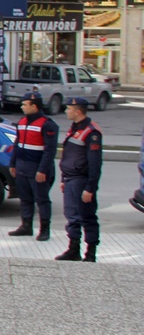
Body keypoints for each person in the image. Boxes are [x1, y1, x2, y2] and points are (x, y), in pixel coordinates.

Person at [55, 97, 102, 262]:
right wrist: (63, 177)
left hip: (81, 180)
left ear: (78, 111)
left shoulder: (91, 132)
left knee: (86, 217)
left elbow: (95, 164)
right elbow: (68, 155)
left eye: (69, 108)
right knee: (72, 216)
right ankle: (73, 250)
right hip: (70, 178)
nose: (66, 111)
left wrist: (90, 188)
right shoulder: (75, 128)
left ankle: (90, 253)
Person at [7, 91, 58, 241]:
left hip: (37, 168)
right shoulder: (22, 122)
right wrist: (13, 163)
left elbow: (50, 151)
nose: (22, 107)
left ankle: (45, 229)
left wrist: (42, 169)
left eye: (25, 104)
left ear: (34, 106)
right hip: (22, 166)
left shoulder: (47, 124)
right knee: (25, 198)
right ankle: (26, 226)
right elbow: (17, 144)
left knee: (42, 200)